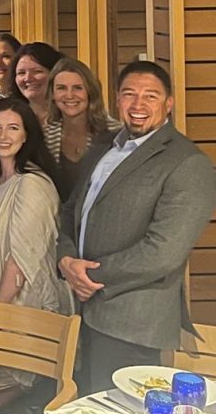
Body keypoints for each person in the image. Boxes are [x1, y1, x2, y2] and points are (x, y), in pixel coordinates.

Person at [58, 61, 216, 394]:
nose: (138, 105)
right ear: (118, 99)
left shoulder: (189, 164)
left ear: (169, 104)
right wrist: (66, 261)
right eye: (129, 94)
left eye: (150, 96)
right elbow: (71, 211)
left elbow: (163, 253)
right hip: (84, 311)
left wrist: (88, 276)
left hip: (133, 323)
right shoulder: (104, 147)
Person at [0, 97, 67, 406]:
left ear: (27, 135)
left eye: (13, 128)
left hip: (25, 307)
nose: (3, 136)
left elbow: (21, 260)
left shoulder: (32, 184)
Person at [42, 59, 121, 200]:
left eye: (78, 88)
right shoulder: (44, 136)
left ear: (90, 92)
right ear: (52, 94)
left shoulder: (116, 134)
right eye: (61, 88)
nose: (69, 95)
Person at [8, 42, 64, 126]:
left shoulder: (72, 116)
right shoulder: (9, 117)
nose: (27, 78)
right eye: (21, 73)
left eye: (37, 71)